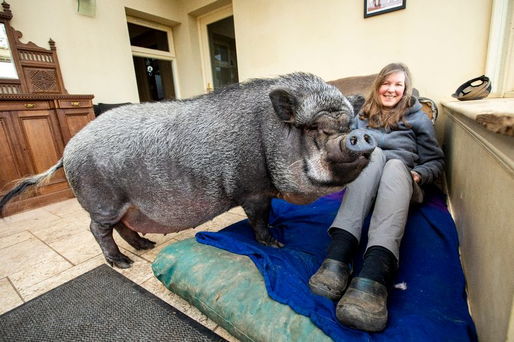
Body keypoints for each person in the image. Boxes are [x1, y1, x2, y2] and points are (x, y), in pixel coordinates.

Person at [309, 63, 445, 332]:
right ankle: (338, 257)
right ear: (378, 85)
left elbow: (436, 161)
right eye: (387, 83)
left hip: (402, 179)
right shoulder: (362, 114)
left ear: (405, 89)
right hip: (368, 179)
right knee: (373, 156)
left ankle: (374, 275)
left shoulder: (418, 117)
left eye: (398, 85)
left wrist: (418, 175)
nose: (391, 89)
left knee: (393, 164)